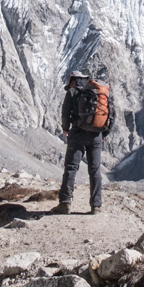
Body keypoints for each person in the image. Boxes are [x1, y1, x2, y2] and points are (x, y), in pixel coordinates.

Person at [55, 71, 109, 215]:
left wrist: (66, 129)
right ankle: (96, 206)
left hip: (77, 134)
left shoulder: (72, 92)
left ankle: (65, 203)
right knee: (95, 170)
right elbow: (111, 113)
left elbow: (65, 113)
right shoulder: (97, 92)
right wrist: (104, 133)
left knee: (71, 168)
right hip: (96, 136)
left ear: (72, 81)